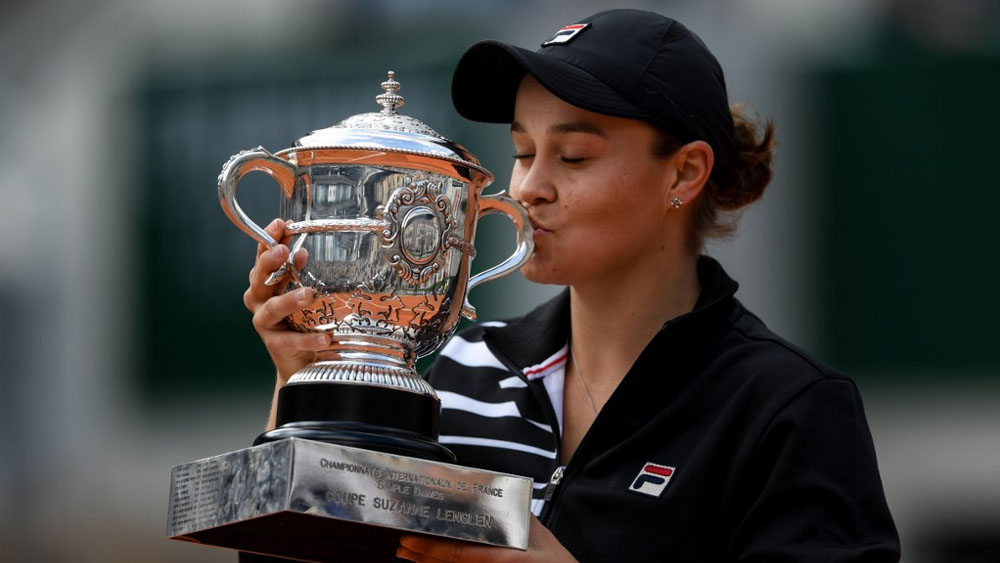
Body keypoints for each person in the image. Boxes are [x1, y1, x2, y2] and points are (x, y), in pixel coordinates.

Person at [244, 9, 900, 562]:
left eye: (574, 156)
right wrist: (310, 389)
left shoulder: (787, 408)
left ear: (683, 173)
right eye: (523, 152)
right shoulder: (466, 371)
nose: (529, 187)